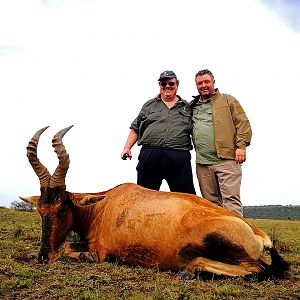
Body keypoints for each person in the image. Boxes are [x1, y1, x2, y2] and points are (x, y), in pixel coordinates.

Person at [121, 70, 196, 194]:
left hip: (179, 159)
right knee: (144, 198)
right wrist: (127, 147)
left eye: (171, 83)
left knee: (186, 199)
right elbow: (136, 128)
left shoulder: (187, 107)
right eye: (163, 83)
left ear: (177, 84)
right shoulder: (148, 105)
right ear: (159, 85)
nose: (167, 86)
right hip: (150, 157)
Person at [190, 69, 252, 216]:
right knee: (210, 204)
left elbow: (243, 123)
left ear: (213, 82)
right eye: (199, 83)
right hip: (203, 163)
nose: (203, 85)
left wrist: (241, 146)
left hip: (227, 160)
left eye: (206, 82)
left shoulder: (228, 100)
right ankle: (218, 238)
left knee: (230, 200)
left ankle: (237, 238)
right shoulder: (192, 105)